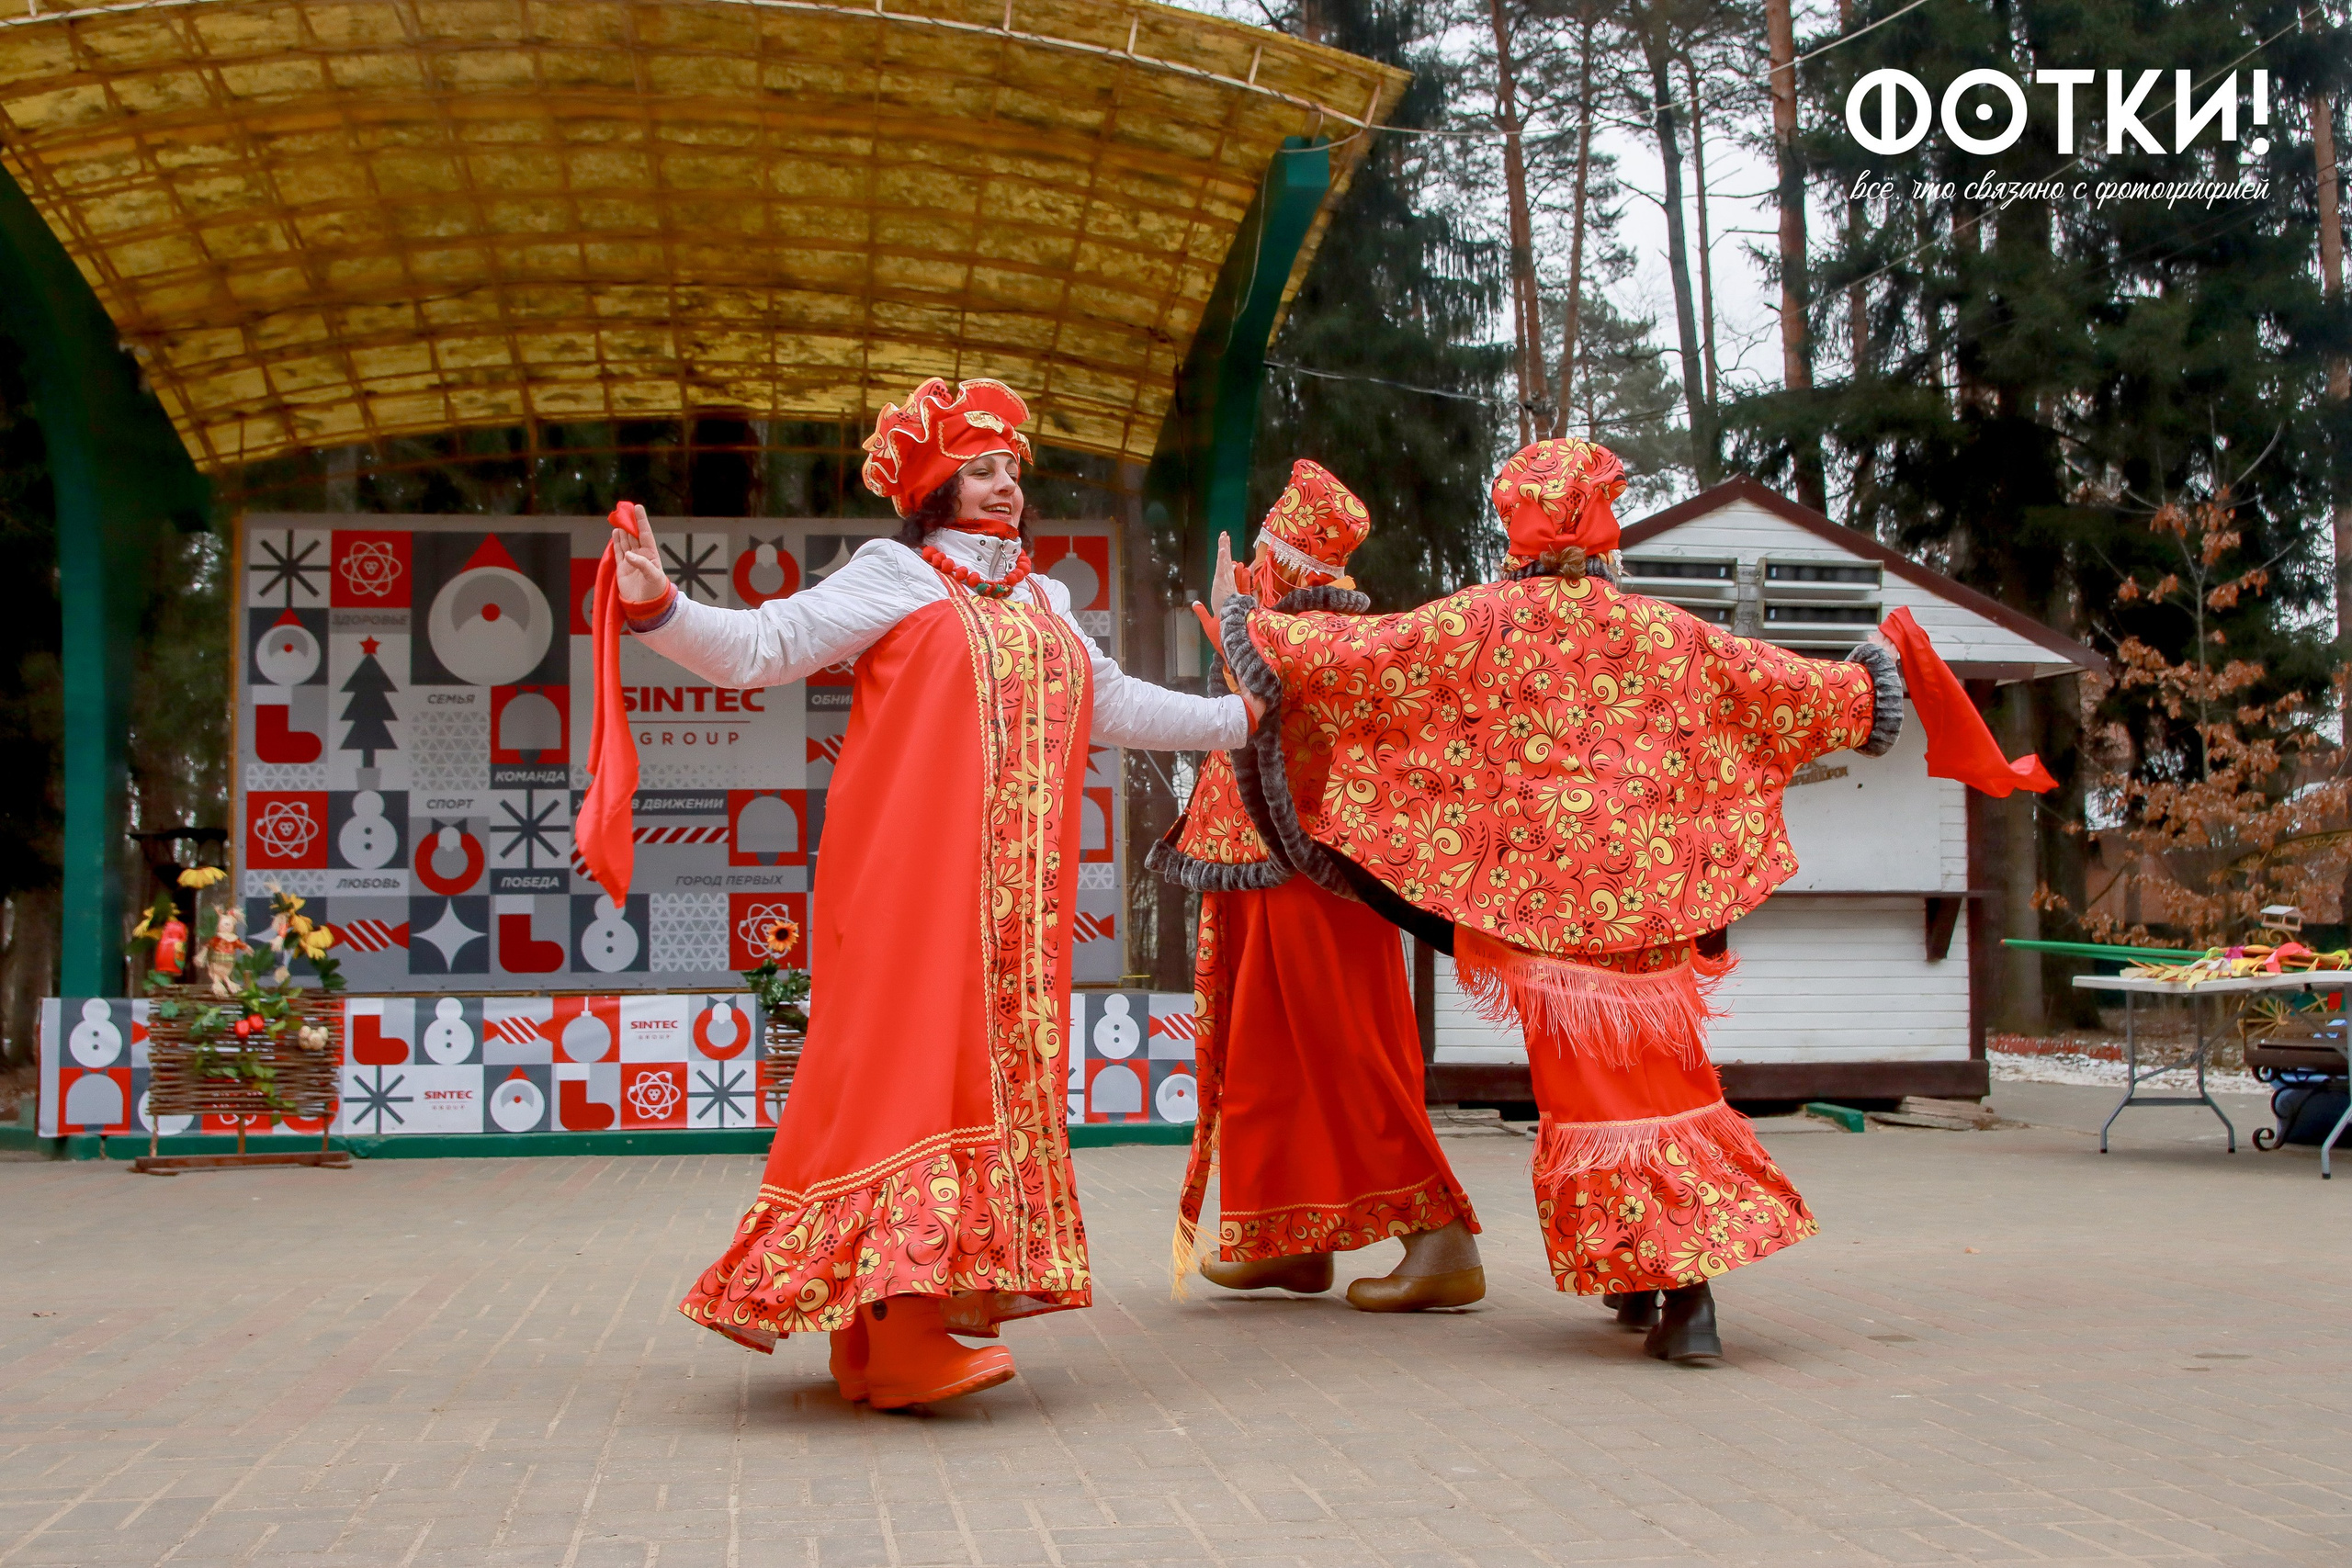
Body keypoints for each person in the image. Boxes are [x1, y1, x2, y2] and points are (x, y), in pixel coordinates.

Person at [608, 378, 1250, 1408]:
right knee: (910, 1076)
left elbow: (1116, 704)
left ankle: (870, 1342)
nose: (1004, 487)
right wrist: (659, 604)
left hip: (1008, 913)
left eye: (1012, 472)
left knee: (970, 1080)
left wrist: (1244, 722)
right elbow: (761, 649)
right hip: (910, 889)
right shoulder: (895, 576)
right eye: (980, 470)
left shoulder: (1042, 604)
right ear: (933, 486)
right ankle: (902, 1334)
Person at [1215, 438, 1906, 1363]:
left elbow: (1365, 658)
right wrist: (1864, 681)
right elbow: (1769, 682)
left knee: (1589, 1095)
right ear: (1602, 523)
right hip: (1655, 907)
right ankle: (1642, 1286)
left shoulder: (1478, 623)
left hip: (1541, 905)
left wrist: (1252, 619)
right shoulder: (1663, 630)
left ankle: (1682, 1296)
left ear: (1518, 526)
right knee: (1666, 1075)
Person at [1148, 461, 1483, 1312]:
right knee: (1263, 1057)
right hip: (1254, 865)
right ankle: (1285, 1237)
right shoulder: (1271, 622)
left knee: (1346, 1049)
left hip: (1314, 875)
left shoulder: (1321, 635)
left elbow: (1288, 705)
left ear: (1291, 562)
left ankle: (1437, 1235)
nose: (1255, 564)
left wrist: (1234, 619)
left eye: (1267, 550)